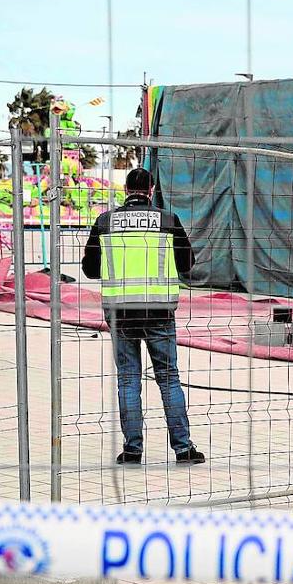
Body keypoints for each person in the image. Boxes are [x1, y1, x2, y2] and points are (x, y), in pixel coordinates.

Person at [81, 168, 204, 466]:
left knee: (128, 380)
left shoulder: (105, 221)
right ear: (151, 189)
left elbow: (90, 269)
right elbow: (188, 263)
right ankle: (183, 448)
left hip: (121, 312)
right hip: (159, 311)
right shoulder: (167, 220)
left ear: (126, 189)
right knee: (168, 379)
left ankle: (132, 450)